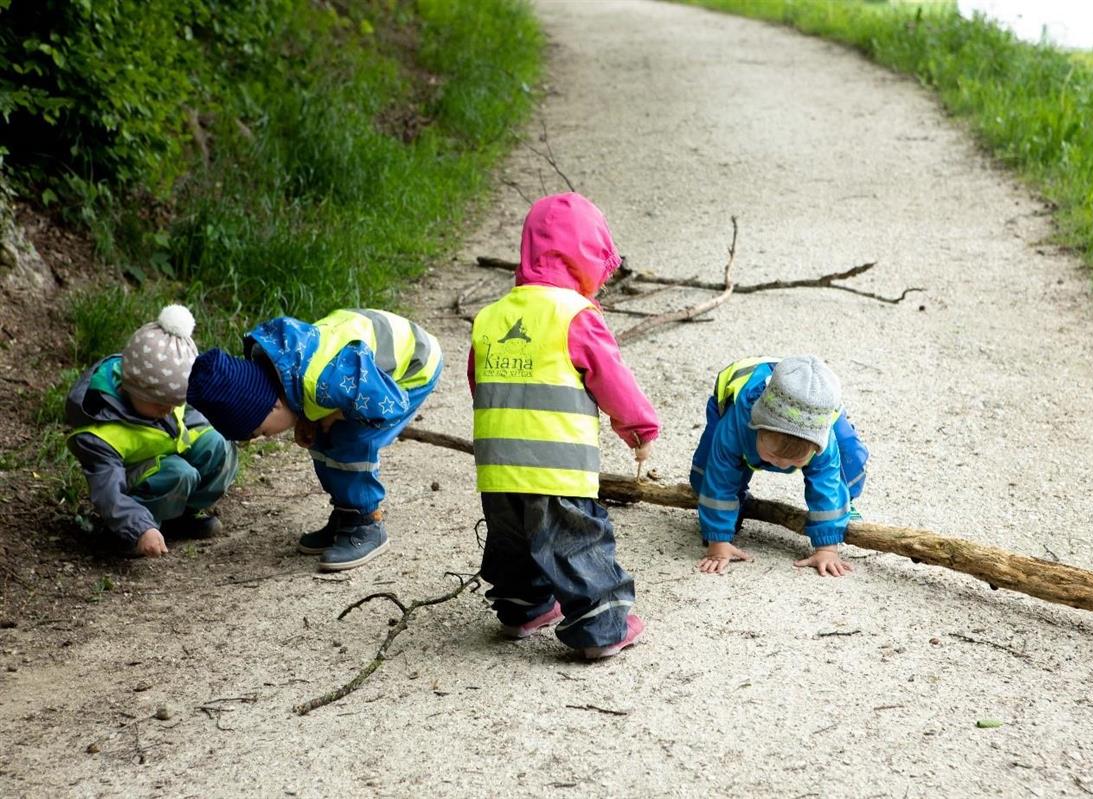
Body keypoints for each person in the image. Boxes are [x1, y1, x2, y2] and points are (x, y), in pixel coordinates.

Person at [469, 192, 659, 659]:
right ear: (586, 258)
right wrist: (638, 426)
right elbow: (610, 377)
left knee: (512, 544)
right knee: (576, 542)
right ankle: (601, 626)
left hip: (497, 467)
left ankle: (523, 608)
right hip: (555, 465)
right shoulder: (572, 315)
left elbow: (479, 381)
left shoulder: (490, 317)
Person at [186, 308, 442, 571]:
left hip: (412, 367)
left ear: (273, 406)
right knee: (320, 436)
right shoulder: (288, 375)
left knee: (349, 440)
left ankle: (367, 523)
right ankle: (347, 513)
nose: (266, 437)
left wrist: (338, 413)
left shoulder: (327, 380)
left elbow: (389, 404)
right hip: (363, 372)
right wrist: (311, 416)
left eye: (261, 432)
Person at [65, 305, 238, 558]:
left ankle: (181, 517)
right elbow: (109, 493)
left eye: (176, 402)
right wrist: (139, 527)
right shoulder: (100, 432)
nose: (169, 410)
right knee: (180, 473)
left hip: (167, 460)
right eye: (160, 403)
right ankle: (129, 531)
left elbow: (195, 421)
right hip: (134, 487)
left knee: (218, 443)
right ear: (132, 387)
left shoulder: (164, 403)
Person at [689, 356, 869, 576]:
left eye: (794, 461)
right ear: (756, 428)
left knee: (849, 457)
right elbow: (719, 477)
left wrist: (827, 548)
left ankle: (845, 504)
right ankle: (732, 507)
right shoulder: (736, 424)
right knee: (707, 470)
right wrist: (717, 542)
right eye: (773, 455)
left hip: (814, 416)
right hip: (737, 402)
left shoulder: (824, 440)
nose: (781, 464)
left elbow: (827, 484)